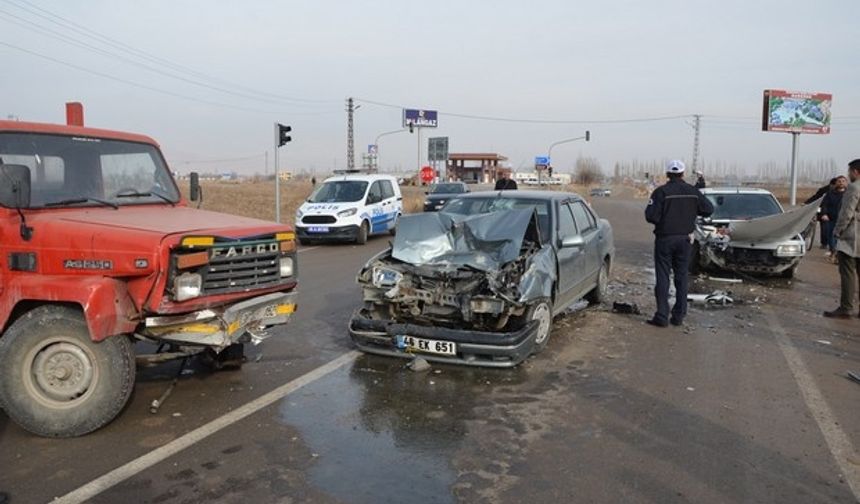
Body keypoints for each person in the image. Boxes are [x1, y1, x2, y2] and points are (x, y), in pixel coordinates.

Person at [644, 160, 714, 327]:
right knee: (681, 278)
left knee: (663, 277)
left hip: (665, 239)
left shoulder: (660, 192)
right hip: (685, 240)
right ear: (683, 174)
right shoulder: (693, 192)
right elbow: (708, 209)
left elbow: (651, 216)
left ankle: (661, 316)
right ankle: (679, 315)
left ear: (667, 174)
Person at [824, 159, 860, 318]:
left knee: (847, 272)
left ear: (856, 172)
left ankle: (846, 307)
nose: (848, 175)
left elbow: (847, 213)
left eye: (849, 172)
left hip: (853, 236)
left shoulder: (854, 187)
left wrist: (837, 231)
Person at [820, 175, 847, 261]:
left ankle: (838, 254)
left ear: (846, 183)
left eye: (843, 181)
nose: (841, 183)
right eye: (839, 181)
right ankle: (833, 252)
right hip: (831, 218)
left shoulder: (849, 193)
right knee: (831, 236)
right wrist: (824, 214)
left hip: (844, 219)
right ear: (836, 183)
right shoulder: (830, 193)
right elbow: (824, 204)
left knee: (842, 237)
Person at [806, 177, 837, 249]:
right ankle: (824, 243)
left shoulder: (841, 191)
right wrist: (806, 203)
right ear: (831, 185)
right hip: (823, 210)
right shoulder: (823, 190)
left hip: (834, 211)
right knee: (824, 227)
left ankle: (832, 244)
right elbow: (815, 197)